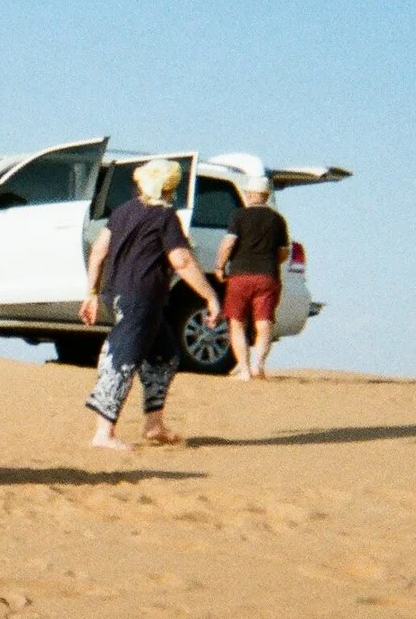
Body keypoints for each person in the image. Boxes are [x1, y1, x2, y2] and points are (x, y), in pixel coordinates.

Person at [78, 159, 223, 449]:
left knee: (164, 356)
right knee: (122, 358)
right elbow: (181, 260)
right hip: (139, 297)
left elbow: (98, 250)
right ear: (169, 188)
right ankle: (103, 433)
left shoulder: (122, 211)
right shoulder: (164, 216)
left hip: (123, 295)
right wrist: (210, 295)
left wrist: (92, 292)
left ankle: (153, 425)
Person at [214, 177, 290, 380]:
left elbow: (229, 243)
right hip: (268, 275)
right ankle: (258, 365)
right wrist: (270, 261)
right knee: (264, 322)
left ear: (248, 194)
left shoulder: (238, 216)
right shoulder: (277, 219)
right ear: (266, 195)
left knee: (237, 322)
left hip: (240, 275)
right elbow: (284, 252)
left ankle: (244, 369)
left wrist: (220, 266)